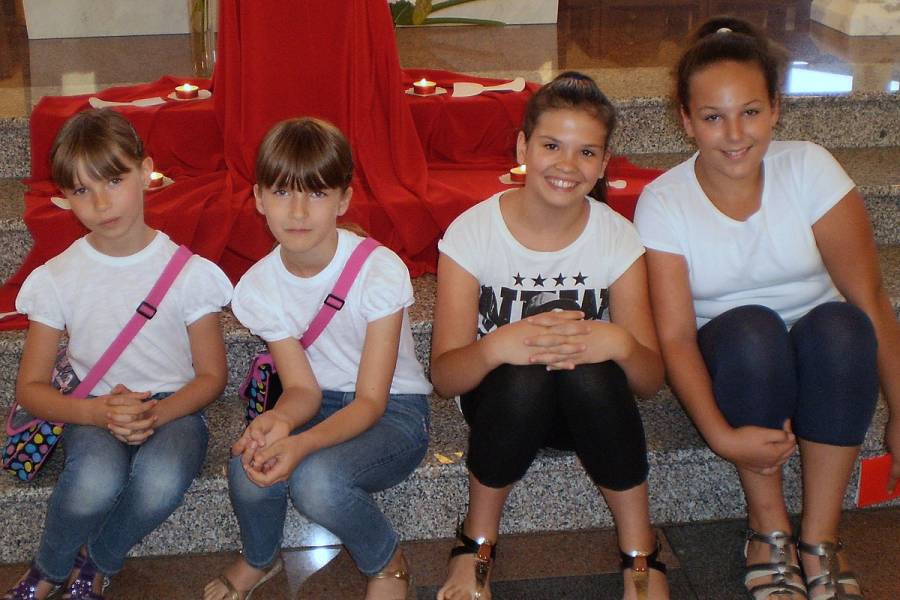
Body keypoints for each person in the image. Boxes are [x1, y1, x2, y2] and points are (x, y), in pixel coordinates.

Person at [634, 16, 900, 600]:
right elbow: (675, 336)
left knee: (844, 326)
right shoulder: (663, 201)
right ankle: (768, 531)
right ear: (686, 119)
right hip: (736, 356)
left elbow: (871, 298)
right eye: (713, 117)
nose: (734, 134)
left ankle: (821, 538)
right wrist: (719, 436)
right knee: (754, 332)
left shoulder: (809, 168)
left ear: (775, 108)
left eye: (750, 111)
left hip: (822, 349)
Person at [432, 72, 670, 600]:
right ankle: (476, 541)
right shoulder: (473, 232)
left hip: (587, 410)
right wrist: (498, 346)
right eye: (551, 146)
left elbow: (650, 381)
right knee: (524, 377)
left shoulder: (617, 236)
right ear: (523, 148)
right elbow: (446, 378)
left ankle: (640, 550)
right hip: (503, 409)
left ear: (604, 164)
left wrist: (620, 344)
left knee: (590, 371)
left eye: (586, 152)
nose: (567, 165)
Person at [3, 109, 232, 600]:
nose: (102, 202)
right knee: (94, 477)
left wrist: (157, 413)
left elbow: (212, 376)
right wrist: (96, 413)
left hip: (174, 407)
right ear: (63, 198)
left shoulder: (189, 273)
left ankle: (99, 558)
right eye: (82, 190)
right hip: (93, 406)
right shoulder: (57, 277)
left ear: (146, 172)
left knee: (162, 477)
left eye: (114, 179)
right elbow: (31, 389)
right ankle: (49, 568)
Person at [204, 117, 432, 600]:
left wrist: (302, 445)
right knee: (248, 464)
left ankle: (387, 562)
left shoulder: (377, 269)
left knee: (316, 482)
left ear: (343, 200)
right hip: (319, 402)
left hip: (394, 411)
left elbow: (370, 402)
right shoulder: (259, 286)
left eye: (318, 193)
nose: (299, 210)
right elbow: (303, 389)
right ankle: (259, 558)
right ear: (259, 198)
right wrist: (280, 420)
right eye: (282, 192)